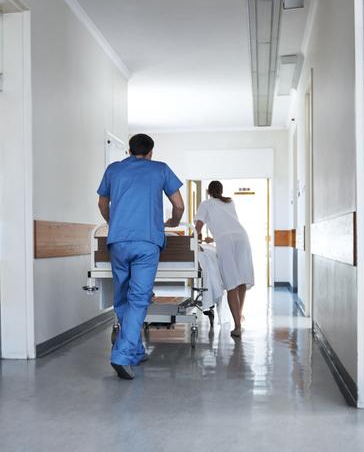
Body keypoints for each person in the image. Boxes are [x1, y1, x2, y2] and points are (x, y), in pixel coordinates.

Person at [97, 133, 184, 380]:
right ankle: (121, 355)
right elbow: (179, 205)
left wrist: (115, 223)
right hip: (147, 242)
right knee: (138, 298)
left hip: (118, 242)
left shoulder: (113, 170)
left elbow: (103, 204)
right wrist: (173, 222)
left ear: (128, 151)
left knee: (122, 297)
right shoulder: (160, 169)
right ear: (151, 152)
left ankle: (134, 349)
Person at [194, 181, 254, 338]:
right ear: (221, 191)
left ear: (208, 191)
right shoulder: (229, 202)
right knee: (241, 280)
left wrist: (195, 241)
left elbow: (198, 228)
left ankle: (238, 326)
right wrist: (211, 239)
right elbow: (229, 226)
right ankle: (238, 318)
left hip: (225, 241)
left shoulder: (205, 204)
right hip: (242, 237)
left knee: (231, 283)